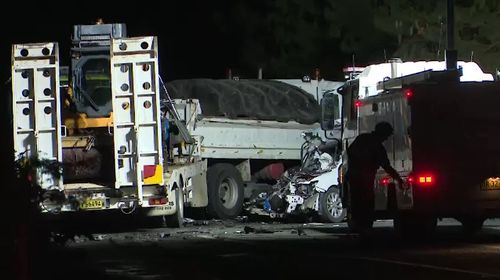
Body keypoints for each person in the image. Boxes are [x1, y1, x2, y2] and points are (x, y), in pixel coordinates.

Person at [346, 121, 403, 236]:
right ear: (382, 133)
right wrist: (398, 179)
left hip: (354, 176)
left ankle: (359, 225)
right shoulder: (377, 146)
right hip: (364, 178)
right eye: (386, 135)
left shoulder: (362, 138)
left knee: (357, 201)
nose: (386, 138)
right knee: (366, 202)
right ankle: (365, 227)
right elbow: (386, 166)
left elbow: (350, 152)